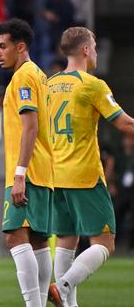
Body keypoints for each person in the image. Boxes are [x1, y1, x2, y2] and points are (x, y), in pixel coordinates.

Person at [46, 27, 134, 307]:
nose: (95, 52)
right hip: (84, 174)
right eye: (94, 46)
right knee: (105, 243)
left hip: (54, 175)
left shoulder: (48, 84)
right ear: (85, 50)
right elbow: (125, 124)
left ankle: (67, 302)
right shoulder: (92, 84)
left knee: (66, 241)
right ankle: (62, 285)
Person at [0, 18, 53, 307]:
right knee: (39, 242)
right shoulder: (39, 74)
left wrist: (19, 174)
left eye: (3, 46)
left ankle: (34, 305)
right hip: (43, 171)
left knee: (15, 237)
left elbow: (30, 127)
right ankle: (40, 302)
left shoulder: (23, 78)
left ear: (21, 47)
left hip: (26, 172)